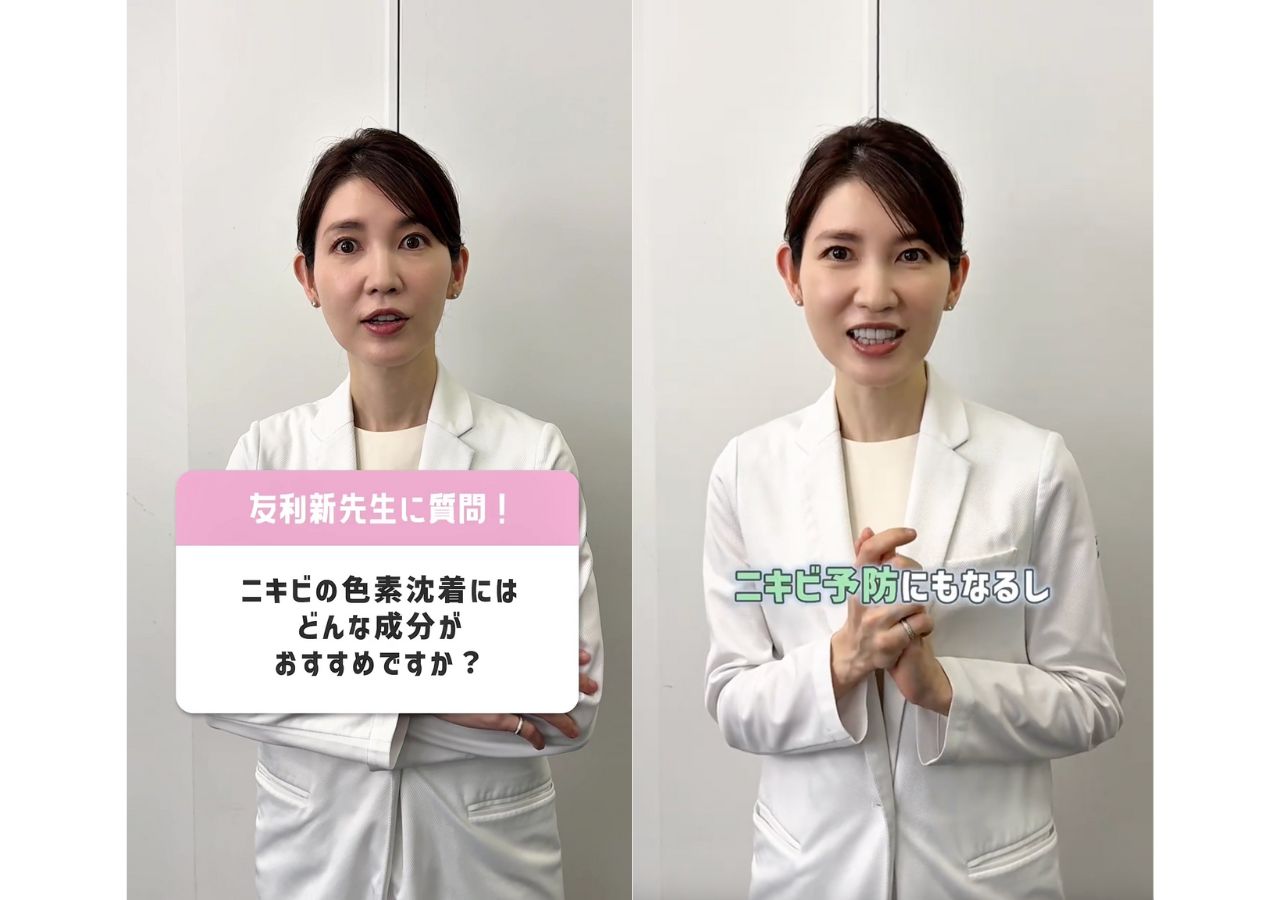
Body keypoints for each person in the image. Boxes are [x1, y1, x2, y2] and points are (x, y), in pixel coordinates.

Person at [702, 118, 1124, 899]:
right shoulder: (746, 471)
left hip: (983, 879)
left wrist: (943, 688)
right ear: (793, 273)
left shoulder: (1033, 467)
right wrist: (843, 660)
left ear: (956, 278)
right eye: (840, 253)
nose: (876, 292)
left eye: (912, 254)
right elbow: (732, 698)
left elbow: (1092, 698)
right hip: (812, 875)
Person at [209, 128, 603, 900]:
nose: (381, 276)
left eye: (413, 241)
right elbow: (225, 679)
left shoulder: (531, 454)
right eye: (347, 245)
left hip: (486, 866)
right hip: (317, 863)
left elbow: (570, 705)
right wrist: (442, 682)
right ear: (309, 276)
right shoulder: (267, 457)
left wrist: (321, 661)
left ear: (457, 269)